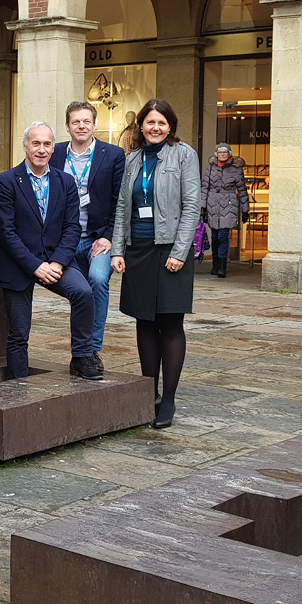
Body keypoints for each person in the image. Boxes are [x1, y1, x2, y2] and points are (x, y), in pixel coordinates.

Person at [111, 99, 201, 429]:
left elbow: (192, 206)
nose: (155, 128)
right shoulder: (133, 159)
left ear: (170, 125)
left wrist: (180, 251)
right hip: (139, 250)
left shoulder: (183, 155)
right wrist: (118, 250)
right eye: (150, 122)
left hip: (170, 249)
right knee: (144, 321)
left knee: (170, 321)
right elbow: (123, 208)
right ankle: (148, 393)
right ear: (141, 126)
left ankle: (170, 399)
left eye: (161, 122)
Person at [0, 122, 104, 382]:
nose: (41, 149)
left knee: (84, 292)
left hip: (56, 260)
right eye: (36, 143)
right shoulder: (7, 181)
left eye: (46, 144)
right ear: (25, 146)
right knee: (19, 332)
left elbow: (72, 227)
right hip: (19, 264)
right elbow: (6, 233)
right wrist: (35, 266)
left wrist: (57, 262)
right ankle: (18, 384)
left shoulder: (65, 181)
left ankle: (82, 356)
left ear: (53, 149)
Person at [50, 101, 126, 365]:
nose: (81, 126)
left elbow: (120, 201)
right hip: (65, 240)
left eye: (86, 121)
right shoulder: (55, 153)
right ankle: (81, 348)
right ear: (68, 126)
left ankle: (91, 349)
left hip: (98, 239)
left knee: (96, 279)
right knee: (79, 292)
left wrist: (108, 236)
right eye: (75, 122)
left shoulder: (113, 154)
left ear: (95, 124)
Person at [201, 142, 249, 278]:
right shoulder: (211, 168)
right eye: (220, 152)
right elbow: (205, 187)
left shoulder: (236, 169)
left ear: (229, 154)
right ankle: (215, 264)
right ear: (216, 154)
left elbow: (242, 190)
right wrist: (202, 207)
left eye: (225, 152)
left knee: (223, 235)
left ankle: (222, 266)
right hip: (213, 203)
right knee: (215, 236)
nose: (222, 154)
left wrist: (245, 209)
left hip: (229, 203)